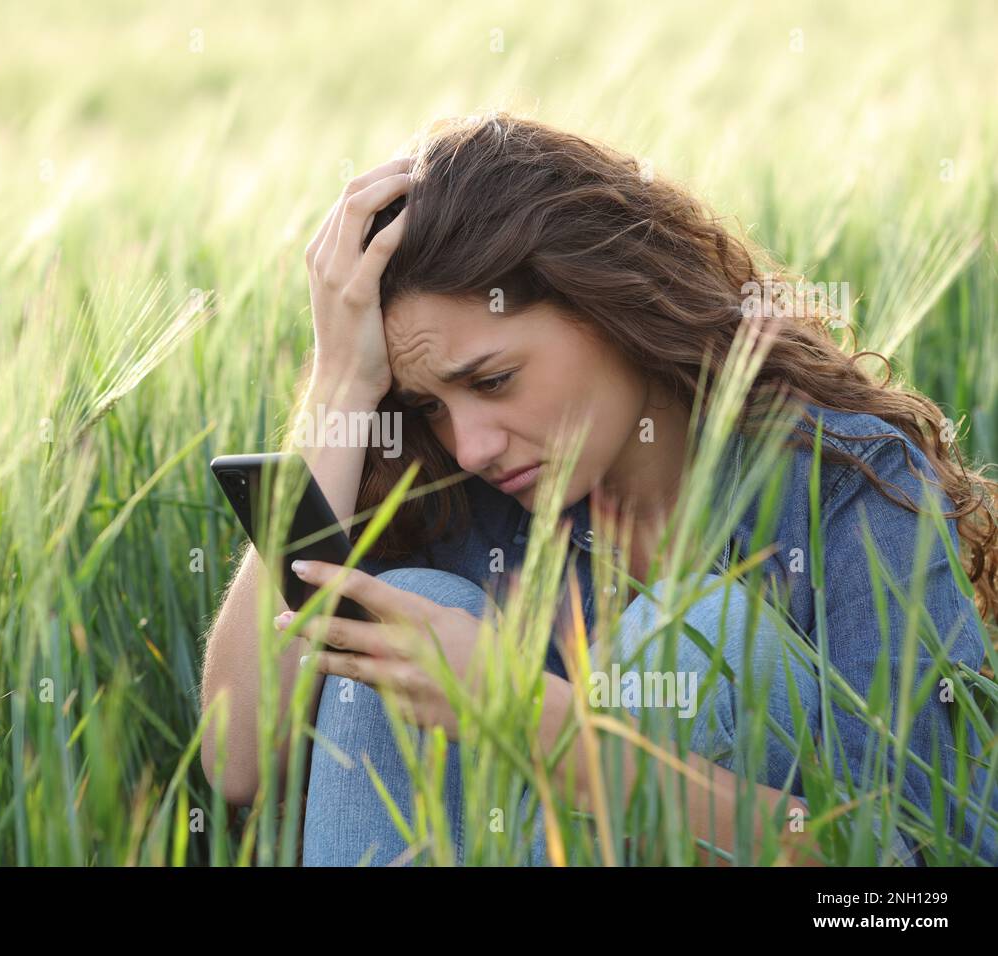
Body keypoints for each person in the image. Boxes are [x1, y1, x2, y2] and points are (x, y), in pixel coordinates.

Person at [199, 110, 998, 867]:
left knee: (699, 633)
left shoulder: (841, 488)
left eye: (496, 378)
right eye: (429, 407)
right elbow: (238, 764)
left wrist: (530, 718)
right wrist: (340, 385)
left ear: (608, 302)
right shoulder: (452, 497)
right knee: (391, 627)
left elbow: (917, 875)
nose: (469, 445)